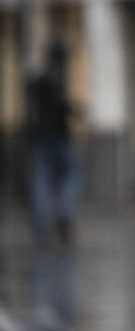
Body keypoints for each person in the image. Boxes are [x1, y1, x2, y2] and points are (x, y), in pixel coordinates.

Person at [24, 39, 82, 247]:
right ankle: (64, 216)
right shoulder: (56, 78)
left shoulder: (38, 79)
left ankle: (42, 227)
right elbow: (60, 106)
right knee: (70, 176)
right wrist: (75, 110)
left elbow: (33, 110)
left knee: (42, 181)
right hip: (58, 137)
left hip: (41, 139)